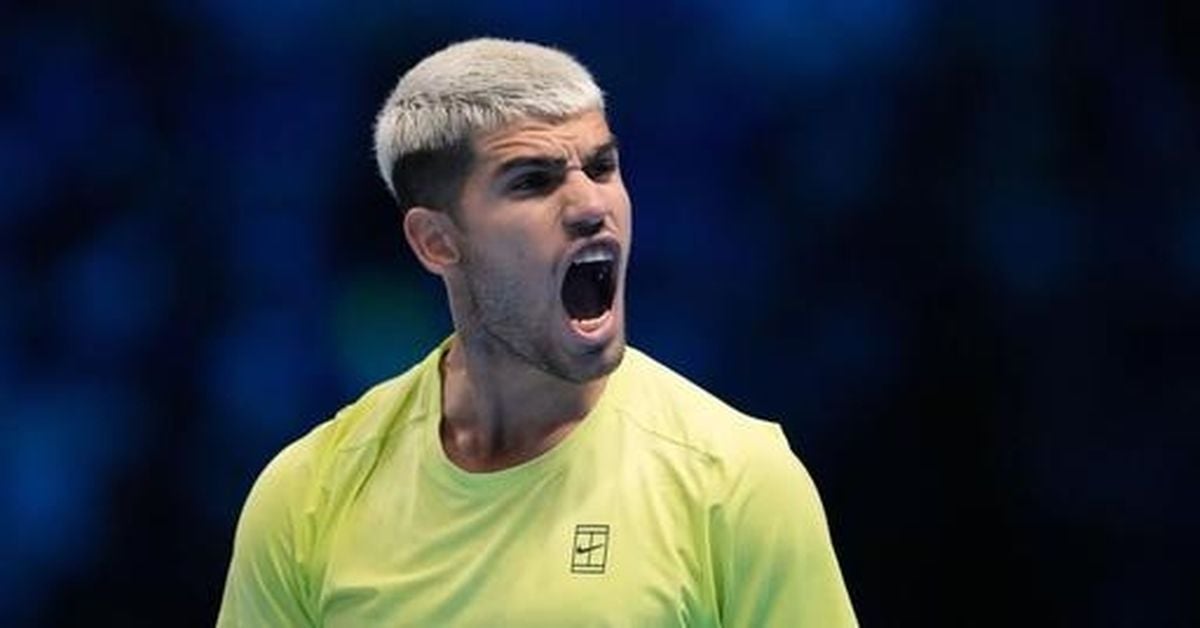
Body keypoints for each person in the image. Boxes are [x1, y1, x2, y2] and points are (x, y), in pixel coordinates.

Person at [217, 37, 857, 626]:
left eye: (602, 167)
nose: (591, 206)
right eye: (533, 182)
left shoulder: (738, 480)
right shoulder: (307, 496)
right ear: (436, 240)